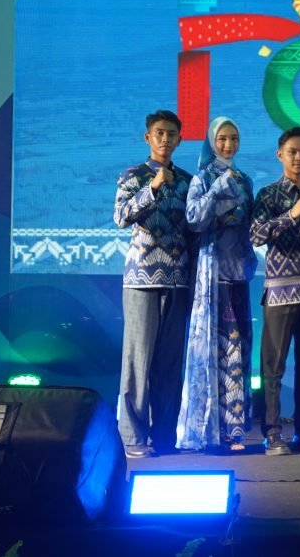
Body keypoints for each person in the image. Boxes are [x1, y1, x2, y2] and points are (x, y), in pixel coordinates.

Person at [114, 110, 193, 459]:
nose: (165, 139)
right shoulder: (132, 176)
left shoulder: (188, 180)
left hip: (178, 280)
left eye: (171, 134)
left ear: (179, 139)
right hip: (141, 280)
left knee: (170, 365)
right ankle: (133, 439)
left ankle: (164, 438)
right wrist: (153, 187)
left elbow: (192, 229)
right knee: (137, 363)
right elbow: (121, 217)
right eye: (159, 133)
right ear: (148, 137)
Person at [250, 127, 300, 455]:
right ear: (280, 155)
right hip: (280, 292)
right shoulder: (268, 195)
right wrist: (290, 215)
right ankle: (272, 432)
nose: (298, 158)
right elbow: (256, 235)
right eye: (292, 152)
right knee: (273, 368)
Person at [177, 116, 257, 452]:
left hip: (239, 274)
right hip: (213, 277)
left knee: (241, 350)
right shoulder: (202, 178)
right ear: (212, 142)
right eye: (222, 138)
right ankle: (211, 427)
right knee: (222, 350)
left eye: (233, 138)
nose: (228, 144)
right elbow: (194, 219)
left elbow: (251, 226)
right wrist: (217, 189)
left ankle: (235, 428)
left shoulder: (245, 180)